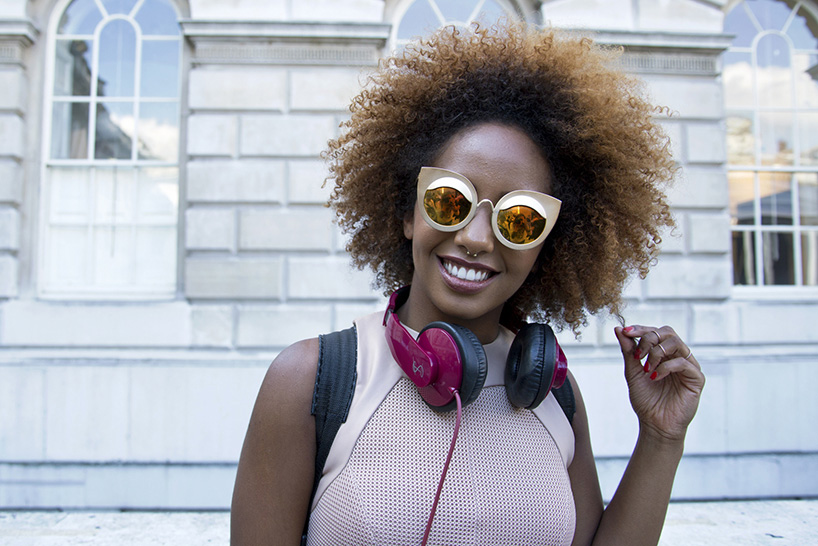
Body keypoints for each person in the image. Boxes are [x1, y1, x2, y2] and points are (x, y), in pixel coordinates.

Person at [231, 20, 705, 546]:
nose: (477, 238)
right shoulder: (312, 382)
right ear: (409, 214)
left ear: (544, 245)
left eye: (520, 219)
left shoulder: (555, 395)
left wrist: (662, 438)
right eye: (449, 201)